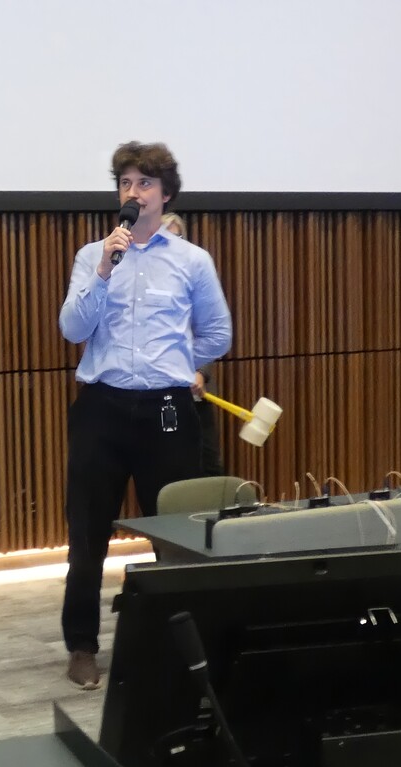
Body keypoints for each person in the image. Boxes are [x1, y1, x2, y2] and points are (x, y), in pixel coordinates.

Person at [58, 141, 233, 688]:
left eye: (144, 184)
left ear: (166, 195)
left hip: (167, 412)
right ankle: (82, 646)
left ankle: (179, 648)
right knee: (88, 534)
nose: (133, 193)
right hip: (102, 409)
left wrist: (183, 364)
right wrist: (103, 271)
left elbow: (218, 333)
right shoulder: (93, 255)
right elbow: (72, 329)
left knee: (175, 535)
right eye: (125, 183)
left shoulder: (191, 261)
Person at [161, 212, 225, 476]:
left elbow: (209, 334)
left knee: (210, 467)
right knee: (171, 471)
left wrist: (200, 372)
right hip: (162, 400)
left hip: (197, 397)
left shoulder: (195, 279)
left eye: (179, 238)